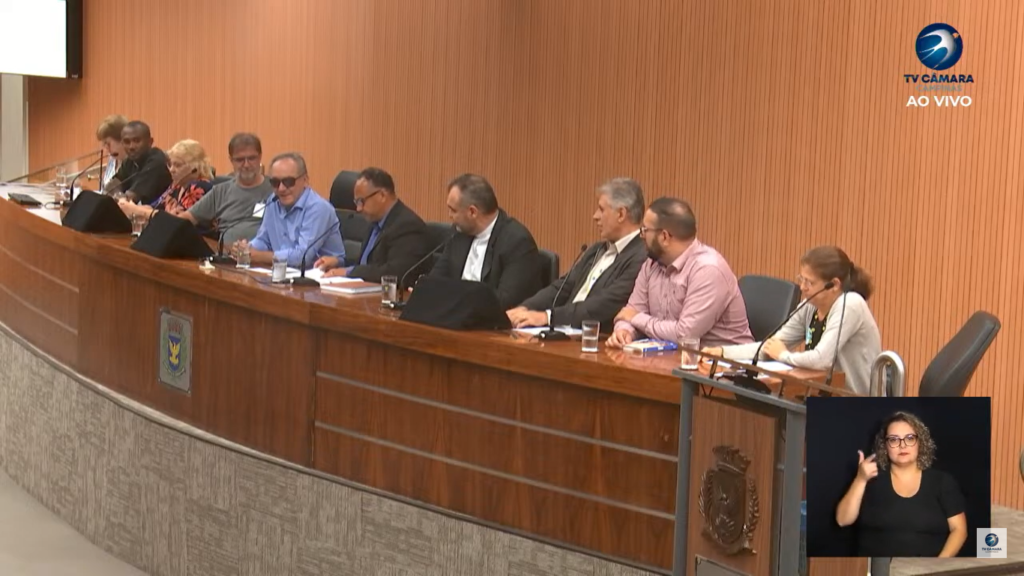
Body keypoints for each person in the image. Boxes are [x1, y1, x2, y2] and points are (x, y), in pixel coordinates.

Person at [703, 246, 882, 395]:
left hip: (857, 404)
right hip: (820, 395)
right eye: (801, 279)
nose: (802, 287)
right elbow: (769, 347)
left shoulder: (850, 304)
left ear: (834, 285)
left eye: (809, 282)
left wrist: (783, 355)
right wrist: (722, 352)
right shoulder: (809, 306)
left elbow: (821, 360)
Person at [607, 197, 752, 348]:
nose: (641, 235)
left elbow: (684, 335)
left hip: (721, 360)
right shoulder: (651, 264)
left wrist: (636, 318)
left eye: (645, 230)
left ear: (664, 237)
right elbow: (630, 311)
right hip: (668, 356)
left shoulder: (708, 270)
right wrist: (625, 331)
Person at [508, 178, 646, 329]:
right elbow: (563, 286)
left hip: (597, 336)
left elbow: (604, 304)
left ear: (621, 214)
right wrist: (525, 308)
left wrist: (548, 317)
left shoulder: (641, 257)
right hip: (564, 330)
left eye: (601, 209)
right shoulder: (596, 250)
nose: (595, 216)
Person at [835, 411, 968, 557]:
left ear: (920, 442)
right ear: (885, 446)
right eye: (894, 440)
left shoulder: (942, 482)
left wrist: (937, 565)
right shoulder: (870, 479)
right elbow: (843, 520)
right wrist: (860, 479)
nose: (902, 445)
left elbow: (959, 530)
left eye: (910, 438)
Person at [428, 173, 543, 310]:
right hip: (455, 314)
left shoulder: (517, 242)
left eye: (453, 210)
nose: (450, 216)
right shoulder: (459, 233)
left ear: (472, 212)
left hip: (491, 320)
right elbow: (435, 280)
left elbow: (504, 301)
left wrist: (454, 299)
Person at [314, 167, 430, 284]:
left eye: (361, 201)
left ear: (382, 195)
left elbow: (394, 272)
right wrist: (339, 262)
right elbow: (367, 263)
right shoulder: (374, 222)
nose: (358, 209)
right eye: (356, 202)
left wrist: (348, 272)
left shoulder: (407, 226)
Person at [237, 152, 344, 269]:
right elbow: (263, 240)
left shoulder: (318, 208)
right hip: (282, 270)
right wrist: (246, 249)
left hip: (318, 274)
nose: (281, 189)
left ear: (305, 180)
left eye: (288, 182)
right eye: (275, 183)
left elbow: (302, 256)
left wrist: (260, 256)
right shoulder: (273, 201)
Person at [178, 133, 274, 245]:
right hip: (225, 253)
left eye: (252, 158)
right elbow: (187, 218)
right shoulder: (219, 192)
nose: (246, 165)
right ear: (231, 160)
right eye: (240, 160)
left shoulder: (277, 189)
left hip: (264, 253)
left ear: (260, 157)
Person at [117, 139, 213, 220]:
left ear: (195, 168)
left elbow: (176, 220)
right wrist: (128, 206)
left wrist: (136, 210)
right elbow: (153, 208)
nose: (171, 170)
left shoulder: (199, 187)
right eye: (170, 164)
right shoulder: (176, 185)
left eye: (178, 165)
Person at [104, 120, 173, 204]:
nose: (131, 147)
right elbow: (111, 186)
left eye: (136, 141)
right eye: (127, 142)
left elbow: (130, 198)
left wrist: (118, 196)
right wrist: (118, 195)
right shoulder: (129, 161)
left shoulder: (156, 160)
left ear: (150, 142)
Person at [95, 114, 127, 189]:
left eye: (107, 143)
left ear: (122, 140)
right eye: (104, 144)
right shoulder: (112, 159)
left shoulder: (134, 165)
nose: (106, 148)